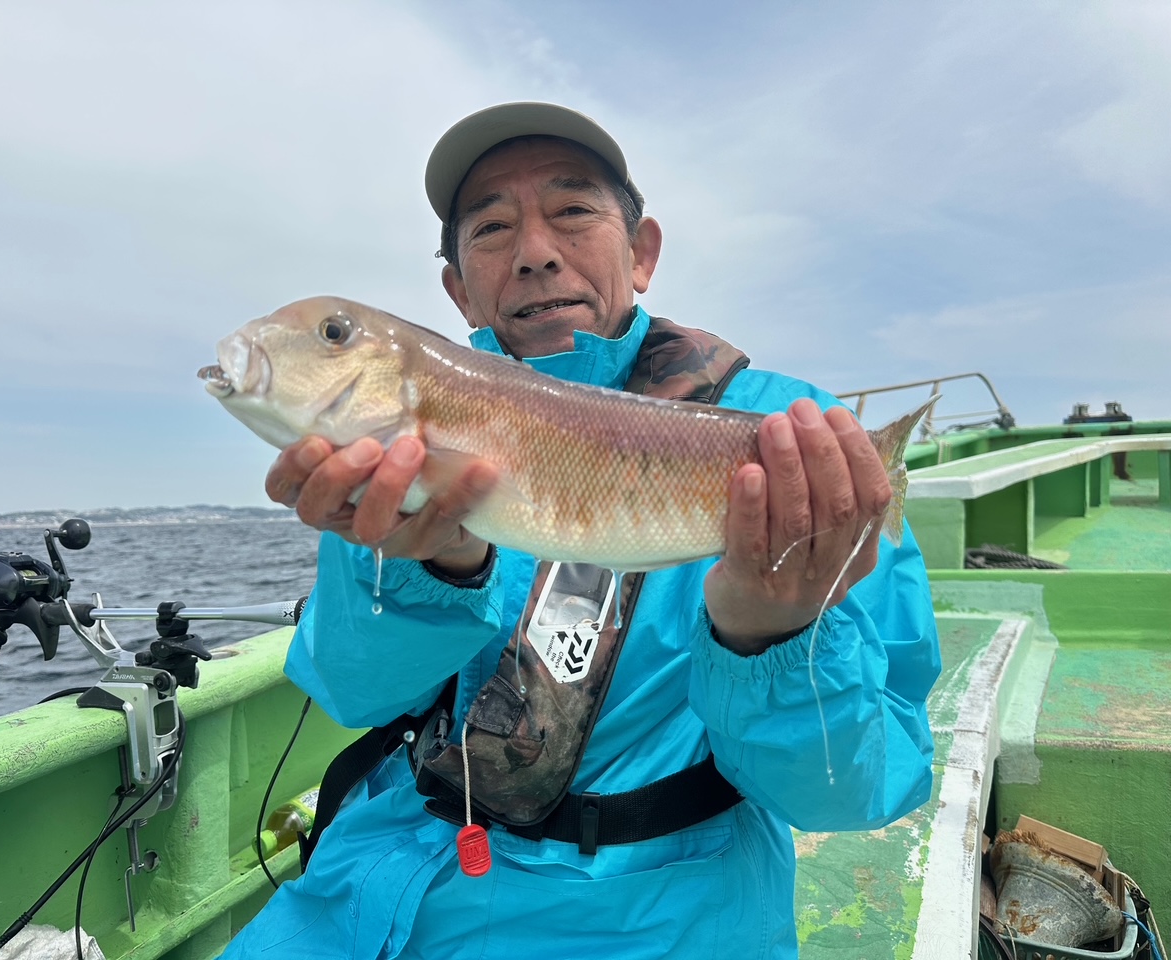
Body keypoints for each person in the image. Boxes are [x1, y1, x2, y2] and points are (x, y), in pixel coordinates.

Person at [219, 102, 940, 959]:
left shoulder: (798, 438)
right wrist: (435, 566)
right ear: (458, 289)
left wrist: (771, 638)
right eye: (491, 228)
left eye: (572, 210)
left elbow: (854, 792)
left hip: (655, 920)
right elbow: (354, 694)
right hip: (373, 886)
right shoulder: (393, 451)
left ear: (641, 253)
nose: (534, 251)